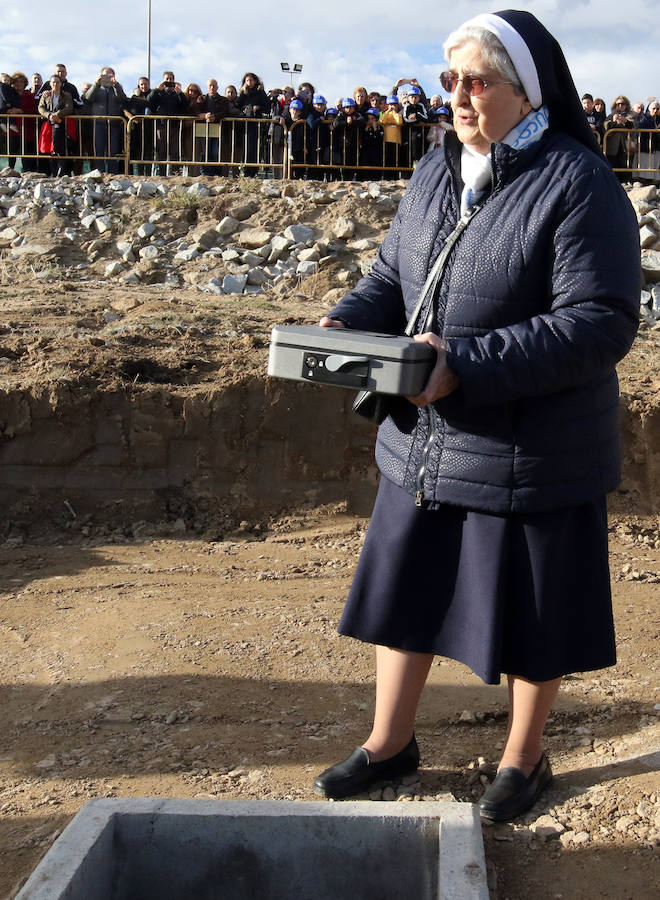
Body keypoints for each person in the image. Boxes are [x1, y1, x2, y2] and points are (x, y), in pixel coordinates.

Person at [313, 9, 639, 824]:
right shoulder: (436, 169)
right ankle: (391, 743)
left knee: (535, 614)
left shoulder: (578, 182)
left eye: (478, 81)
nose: (458, 96)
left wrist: (466, 365)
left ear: (527, 92)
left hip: (533, 445)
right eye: (449, 80)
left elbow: (599, 321)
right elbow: (395, 273)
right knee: (409, 588)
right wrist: (348, 322)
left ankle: (525, 759)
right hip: (427, 436)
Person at [84, 67, 127, 173]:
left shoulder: (117, 87)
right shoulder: (96, 88)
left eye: (110, 75)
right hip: (98, 124)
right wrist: (96, 84)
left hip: (114, 124)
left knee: (113, 151)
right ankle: (100, 173)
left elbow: (122, 99)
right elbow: (88, 97)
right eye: (104, 75)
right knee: (99, 150)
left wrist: (116, 85)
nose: (107, 78)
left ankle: (113, 174)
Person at [147, 71, 189, 175]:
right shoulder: (158, 93)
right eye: (167, 79)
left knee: (175, 152)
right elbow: (148, 101)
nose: (169, 81)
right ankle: (161, 174)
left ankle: (174, 175)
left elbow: (185, 106)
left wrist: (180, 93)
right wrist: (157, 89)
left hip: (175, 126)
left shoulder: (178, 94)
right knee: (161, 152)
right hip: (161, 126)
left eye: (171, 79)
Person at [37, 73, 74, 175]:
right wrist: (49, 115)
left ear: (61, 84)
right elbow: (41, 107)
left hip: (61, 124)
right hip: (48, 124)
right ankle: (53, 172)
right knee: (49, 148)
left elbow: (69, 107)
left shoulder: (66, 95)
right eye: (53, 82)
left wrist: (57, 115)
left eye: (57, 82)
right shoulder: (45, 95)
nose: (55, 84)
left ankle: (61, 172)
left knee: (60, 148)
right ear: (50, 83)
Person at [236, 72, 269, 175]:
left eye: (251, 80)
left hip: (254, 124)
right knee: (242, 147)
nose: (249, 83)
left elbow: (267, 108)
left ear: (255, 81)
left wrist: (258, 107)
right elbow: (237, 105)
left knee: (252, 148)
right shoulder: (243, 93)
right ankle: (242, 169)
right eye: (247, 81)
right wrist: (243, 93)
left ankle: (252, 171)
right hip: (242, 123)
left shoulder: (260, 93)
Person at [7, 72, 38, 171]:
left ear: (25, 83)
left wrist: (20, 111)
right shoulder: (9, 95)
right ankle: (9, 171)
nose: (19, 83)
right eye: (16, 81)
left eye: (21, 81)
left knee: (26, 151)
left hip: (26, 128)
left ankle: (26, 172)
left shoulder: (29, 95)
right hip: (12, 127)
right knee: (11, 151)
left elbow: (33, 110)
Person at [604, 96, 634, 181]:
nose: (620, 106)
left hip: (627, 147)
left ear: (626, 105)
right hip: (612, 148)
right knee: (612, 168)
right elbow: (606, 127)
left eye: (622, 104)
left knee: (626, 168)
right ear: (615, 105)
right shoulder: (610, 116)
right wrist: (613, 121)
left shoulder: (630, 115)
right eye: (618, 104)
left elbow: (634, 127)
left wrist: (625, 121)